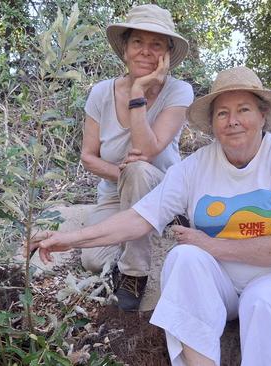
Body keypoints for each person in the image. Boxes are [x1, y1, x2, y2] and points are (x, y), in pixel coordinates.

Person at [30, 66, 271, 365]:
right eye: (223, 113)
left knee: (261, 302)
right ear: (212, 123)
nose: (233, 121)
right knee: (183, 257)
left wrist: (213, 245)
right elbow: (140, 218)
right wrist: (70, 239)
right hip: (220, 285)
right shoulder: (196, 166)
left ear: (262, 115)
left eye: (244, 110)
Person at [78, 4, 194, 311]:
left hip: (160, 186)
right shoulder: (101, 93)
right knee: (92, 259)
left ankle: (134, 275)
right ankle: (135, 231)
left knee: (141, 169)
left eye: (156, 44)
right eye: (138, 42)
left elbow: (148, 148)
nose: (145, 51)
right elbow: (88, 157)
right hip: (116, 192)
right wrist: (124, 175)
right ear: (125, 49)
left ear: (167, 55)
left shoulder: (179, 92)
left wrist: (139, 90)